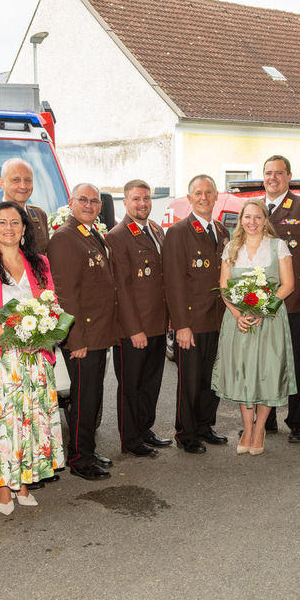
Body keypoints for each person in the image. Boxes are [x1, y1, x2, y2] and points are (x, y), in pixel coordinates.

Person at [0, 201, 65, 514]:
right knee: (1, 425)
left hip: (33, 360)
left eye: (15, 223)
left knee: (28, 422)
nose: (9, 228)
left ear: (23, 228)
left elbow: (52, 305)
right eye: (2, 222)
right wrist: (10, 334)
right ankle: (3, 487)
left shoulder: (39, 263)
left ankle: (23, 481)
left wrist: (43, 336)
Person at [46, 183, 121, 480]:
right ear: (71, 202)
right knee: (83, 398)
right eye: (83, 200)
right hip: (83, 338)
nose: (89, 205)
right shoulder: (64, 238)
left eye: (94, 201)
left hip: (98, 334)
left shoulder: (88, 233)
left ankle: (86, 449)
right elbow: (65, 295)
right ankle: (79, 459)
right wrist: (74, 339)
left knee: (93, 395)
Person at [212, 199, 295, 455]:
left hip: (268, 320)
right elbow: (225, 287)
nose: (252, 222)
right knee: (244, 373)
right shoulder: (231, 248)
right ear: (241, 220)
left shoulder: (278, 247)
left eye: (258, 217)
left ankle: (260, 430)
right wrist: (238, 314)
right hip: (239, 322)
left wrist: (262, 309)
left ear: (265, 220)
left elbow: (287, 285)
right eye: (247, 217)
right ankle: (247, 428)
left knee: (266, 373)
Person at [258, 155, 300, 442]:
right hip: (260, 305)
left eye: (279, 173)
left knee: (296, 365)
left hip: (293, 304)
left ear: (289, 176)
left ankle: (297, 421)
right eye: (268, 173)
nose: (273, 178)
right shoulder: (255, 210)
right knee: (263, 363)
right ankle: (267, 419)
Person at [162, 174, 231, 454]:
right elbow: (174, 282)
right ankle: (186, 432)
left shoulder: (222, 231)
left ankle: (205, 425)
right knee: (189, 381)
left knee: (210, 378)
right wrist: (181, 325)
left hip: (217, 320)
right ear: (190, 198)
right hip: (192, 321)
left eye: (209, 192)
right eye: (198, 193)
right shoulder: (179, 232)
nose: (204, 198)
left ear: (216, 196)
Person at [106, 180, 171, 458]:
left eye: (146, 198)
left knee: (151, 383)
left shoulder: (155, 229)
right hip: (134, 329)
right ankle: (130, 439)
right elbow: (120, 288)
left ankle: (145, 429)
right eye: (136, 199)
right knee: (131, 386)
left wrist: (169, 318)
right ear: (125, 202)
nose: (142, 203)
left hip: (157, 324)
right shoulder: (117, 236)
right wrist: (134, 329)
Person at [0, 158, 51, 254]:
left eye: (28, 180)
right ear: (2, 183)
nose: (23, 186)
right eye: (16, 180)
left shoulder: (39, 216)